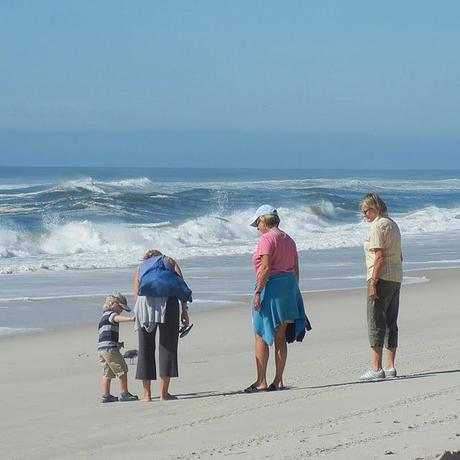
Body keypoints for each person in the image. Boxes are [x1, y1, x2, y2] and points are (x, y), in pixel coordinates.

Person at [244, 205, 311, 393]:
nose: (257, 227)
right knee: (280, 337)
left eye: (257, 223)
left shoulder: (267, 239)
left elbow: (265, 268)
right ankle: (279, 380)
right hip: (289, 288)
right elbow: (296, 269)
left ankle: (261, 381)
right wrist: (293, 291)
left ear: (264, 221)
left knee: (260, 334)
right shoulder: (289, 239)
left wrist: (258, 292)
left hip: (271, 287)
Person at [134, 249, 190, 401]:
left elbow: (136, 291)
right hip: (168, 303)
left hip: (144, 304)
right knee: (167, 347)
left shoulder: (141, 267)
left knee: (145, 347)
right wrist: (184, 311)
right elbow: (181, 286)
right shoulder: (169, 261)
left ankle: (147, 395)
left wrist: (138, 312)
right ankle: (164, 393)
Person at [360, 193, 403, 380]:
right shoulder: (393, 224)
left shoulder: (377, 227)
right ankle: (390, 366)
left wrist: (373, 283)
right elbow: (400, 256)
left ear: (374, 208)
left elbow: (379, 257)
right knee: (391, 321)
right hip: (395, 276)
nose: (364, 215)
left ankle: (377, 368)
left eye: (365, 211)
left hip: (380, 277)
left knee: (376, 321)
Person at [97, 292, 139, 403]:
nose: (121, 310)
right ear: (112, 304)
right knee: (122, 369)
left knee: (107, 372)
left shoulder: (102, 317)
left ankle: (106, 395)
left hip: (102, 349)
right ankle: (124, 393)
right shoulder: (111, 314)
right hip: (110, 349)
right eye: (120, 307)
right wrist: (130, 319)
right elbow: (116, 318)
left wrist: (117, 343)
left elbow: (105, 335)